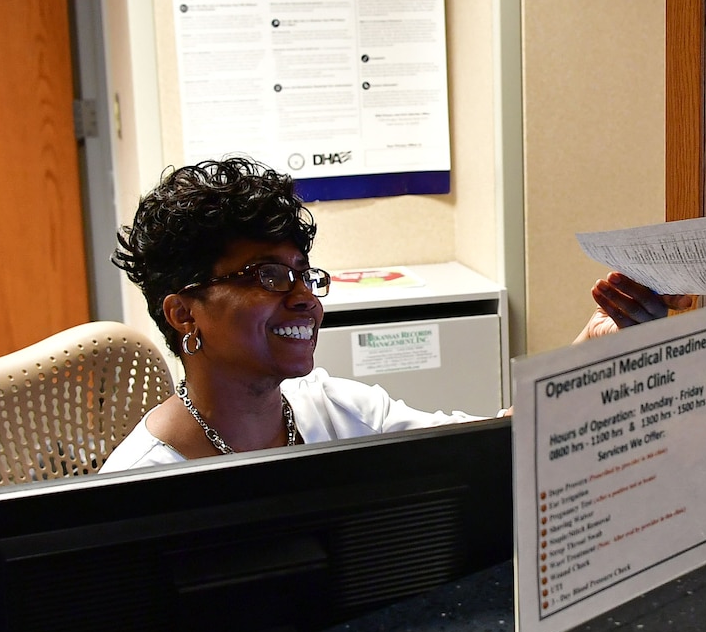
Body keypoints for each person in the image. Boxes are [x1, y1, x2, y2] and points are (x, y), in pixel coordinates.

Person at [101, 157, 488, 471]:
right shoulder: (137, 481)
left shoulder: (341, 411)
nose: (306, 298)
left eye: (305, 275)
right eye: (268, 275)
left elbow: (479, 444)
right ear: (184, 314)